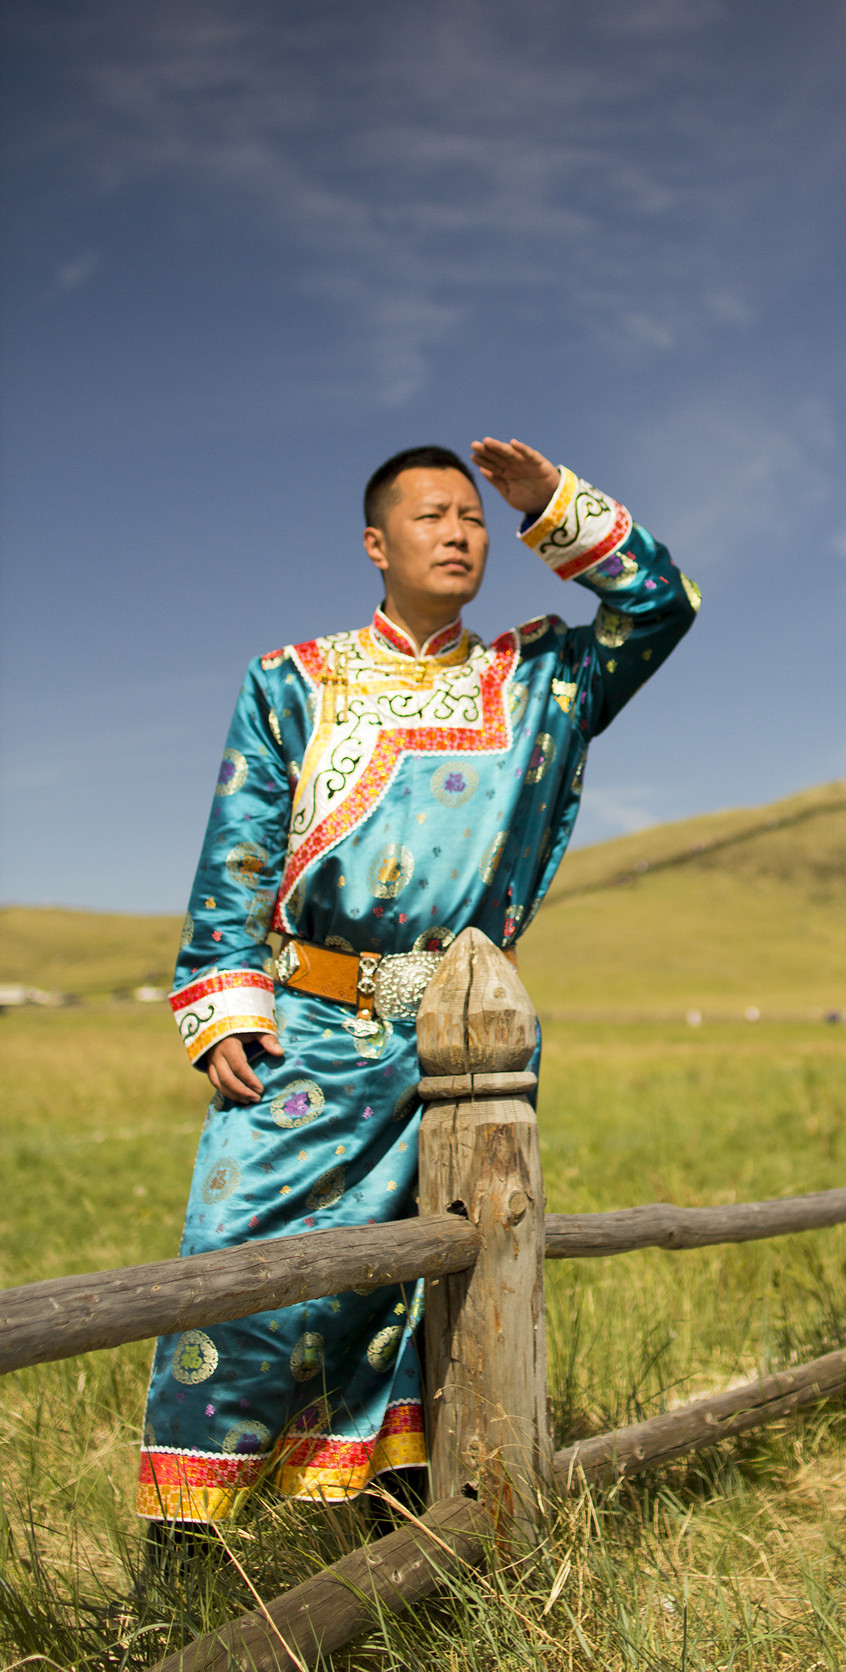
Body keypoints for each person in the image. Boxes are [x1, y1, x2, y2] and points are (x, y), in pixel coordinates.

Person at [137, 436, 699, 1528]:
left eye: (477, 518)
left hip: (457, 1051)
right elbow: (240, 851)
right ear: (376, 544)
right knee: (236, 1272)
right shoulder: (294, 680)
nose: (459, 530)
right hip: (306, 1033)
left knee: (437, 1296)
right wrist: (222, 1002)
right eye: (433, 515)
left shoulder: (540, 682)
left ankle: (408, 1553)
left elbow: (661, 608)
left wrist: (558, 508)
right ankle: (184, 1563)